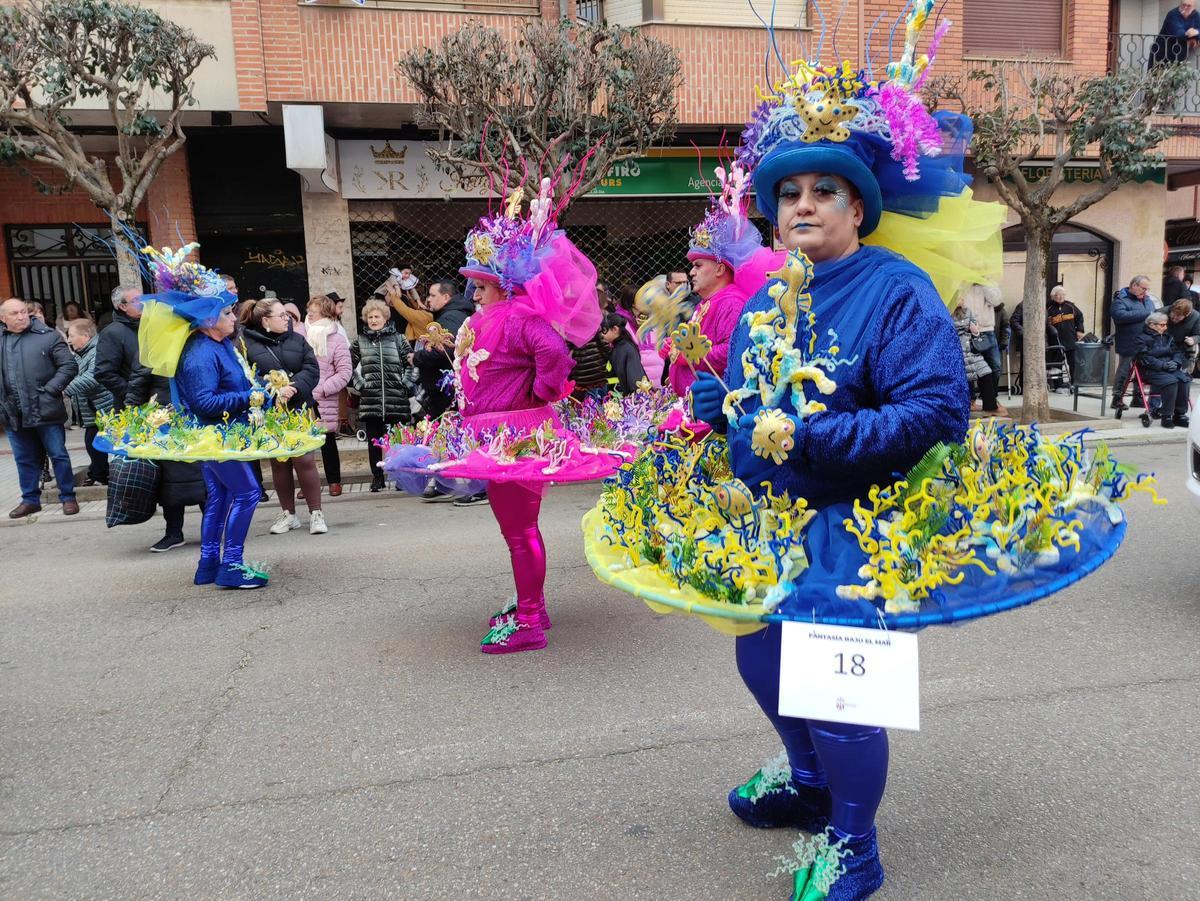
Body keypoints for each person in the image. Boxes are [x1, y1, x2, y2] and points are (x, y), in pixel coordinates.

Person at [680, 15, 1006, 895]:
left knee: (836, 688)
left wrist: (811, 435)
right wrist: (721, 409)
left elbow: (939, 410)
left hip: (856, 525)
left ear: (858, 207)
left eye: (826, 190)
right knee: (759, 658)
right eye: (790, 193)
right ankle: (811, 780)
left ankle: (855, 844)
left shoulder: (895, 289)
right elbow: (751, 408)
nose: (805, 205)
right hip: (765, 522)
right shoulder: (759, 302)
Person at [96, 283, 202, 551]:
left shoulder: (197, 340)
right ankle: (173, 531)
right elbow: (136, 382)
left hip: (196, 416)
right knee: (170, 478)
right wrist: (135, 413)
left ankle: (212, 526)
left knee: (203, 473)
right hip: (162, 418)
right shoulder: (154, 343)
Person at [665, 179, 765, 398]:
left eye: (698, 266)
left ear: (720, 269)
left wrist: (686, 353)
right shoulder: (708, 302)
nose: (691, 273)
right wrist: (675, 346)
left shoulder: (731, 302)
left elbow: (732, 351)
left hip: (716, 408)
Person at [240, 298, 326, 535]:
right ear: (265, 321)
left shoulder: (298, 340)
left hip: (299, 407)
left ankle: (316, 513)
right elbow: (246, 376)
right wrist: (274, 389)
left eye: (287, 315)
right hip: (271, 412)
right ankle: (288, 513)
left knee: (305, 460)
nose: (287, 318)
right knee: (279, 463)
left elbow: (311, 369)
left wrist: (294, 386)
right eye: (281, 315)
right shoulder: (246, 344)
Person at [0, 297, 80, 518]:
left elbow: (69, 365)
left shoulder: (47, 336)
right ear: (2, 318)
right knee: (24, 458)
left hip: (45, 408)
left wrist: (51, 390)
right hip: (12, 412)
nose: (21, 316)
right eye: (14, 313)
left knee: (58, 455)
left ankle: (68, 497)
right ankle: (30, 500)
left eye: (23, 312)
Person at [352, 298, 416, 491]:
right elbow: (348, 366)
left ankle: (400, 476)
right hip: (371, 400)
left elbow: (411, 364)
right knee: (374, 442)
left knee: (398, 441)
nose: (373, 320)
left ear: (385, 318)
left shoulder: (399, 339)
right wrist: (361, 384)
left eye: (377, 316)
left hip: (396, 398)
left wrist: (405, 384)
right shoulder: (360, 341)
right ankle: (377, 477)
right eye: (370, 317)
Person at [304, 295, 352, 498]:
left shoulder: (337, 338)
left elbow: (344, 372)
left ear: (324, 313)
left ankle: (334, 481)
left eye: (312, 312)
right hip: (304, 395)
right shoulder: (303, 336)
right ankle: (307, 484)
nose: (309, 315)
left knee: (327, 441)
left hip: (324, 397)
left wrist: (323, 388)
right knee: (303, 445)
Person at [411, 279, 475, 421]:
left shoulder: (451, 317)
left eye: (433, 295)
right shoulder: (453, 314)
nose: (428, 299)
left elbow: (445, 350)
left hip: (446, 393)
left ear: (446, 297)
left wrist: (416, 358)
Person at [63, 318, 115, 486]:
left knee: (95, 442)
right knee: (94, 442)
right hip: (94, 409)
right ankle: (99, 472)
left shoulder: (97, 350)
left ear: (85, 335)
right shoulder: (83, 353)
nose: (69, 340)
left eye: (71, 335)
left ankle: (101, 474)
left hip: (103, 407)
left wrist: (62, 389)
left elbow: (92, 377)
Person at [1136, 310, 1192, 427]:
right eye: (1162, 325)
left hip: (1169, 368)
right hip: (1151, 370)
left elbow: (1177, 352)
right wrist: (1163, 365)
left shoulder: (1167, 337)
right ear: (1152, 325)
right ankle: (1166, 416)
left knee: (1184, 380)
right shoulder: (1141, 338)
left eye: (1166, 324)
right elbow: (1145, 358)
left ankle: (1179, 415)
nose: (1165, 327)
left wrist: (1176, 363)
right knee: (1171, 382)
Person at [1110, 275, 1156, 408]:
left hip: (1146, 340)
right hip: (1128, 340)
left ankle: (1137, 398)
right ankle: (1117, 398)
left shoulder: (1147, 299)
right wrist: (1146, 314)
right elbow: (1119, 316)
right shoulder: (1120, 300)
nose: (1145, 291)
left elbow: (1153, 313)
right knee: (1124, 370)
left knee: (1142, 370)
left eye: (1147, 289)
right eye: (1143, 288)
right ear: (1134, 286)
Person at [953, 303, 1004, 415]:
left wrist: (975, 331)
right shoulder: (946, 311)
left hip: (972, 349)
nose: (961, 300)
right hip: (956, 350)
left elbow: (975, 328)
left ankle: (990, 406)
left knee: (986, 371)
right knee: (964, 376)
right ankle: (967, 404)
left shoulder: (968, 310)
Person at [957, 282, 1002, 376]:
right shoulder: (961, 280)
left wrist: (984, 282)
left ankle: (991, 391)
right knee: (969, 371)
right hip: (966, 332)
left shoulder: (987, 281)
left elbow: (996, 301)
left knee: (995, 367)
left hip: (987, 331)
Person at [1046, 285, 1085, 388]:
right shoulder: (1048, 308)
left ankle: (1075, 383)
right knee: (1057, 363)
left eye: (1063, 294)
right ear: (1053, 296)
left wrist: (1080, 330)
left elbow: (1080, 317)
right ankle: (1058, 385)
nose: (1060, 297)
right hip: (1055, 340)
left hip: (1070, 338)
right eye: (1058, 295)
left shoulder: (1070, 306)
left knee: (1073, 362)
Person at [600, 311, 647, 394]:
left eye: (604, 330)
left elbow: (634, 378)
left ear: (615, 329)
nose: (602, 335)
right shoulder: (622, 347)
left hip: (633, 396)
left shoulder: (623, 349)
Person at [1150, 1, 1200, 67]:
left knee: (1176, 76)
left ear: (1193, 7)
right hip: (1162, 52)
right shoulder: (1172, 14)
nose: (1185, 7)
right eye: (1183, 5)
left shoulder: (1196, 15)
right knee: (1155, 76)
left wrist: (1196, 33)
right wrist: (1190, 35)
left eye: (1188, 6)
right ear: (1180, 5)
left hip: (1179, 54)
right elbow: (1178, 33)